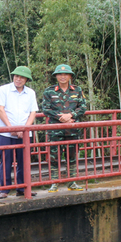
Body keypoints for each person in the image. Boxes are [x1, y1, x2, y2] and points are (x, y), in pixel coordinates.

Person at [41, 64, 87, 192]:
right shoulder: (49, 91)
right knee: (54, 158)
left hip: (72, 131)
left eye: (65, 74)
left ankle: (72, 182)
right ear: (56, 76)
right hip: (55, 130)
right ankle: (54, 183)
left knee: (72, 158)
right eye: (60, 74)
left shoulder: (77, 90)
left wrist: (71, 115)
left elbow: (83, 107)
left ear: (70, 76)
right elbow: (45, 109)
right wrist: (60, 117)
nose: (63, 76)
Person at [0, 66, 38, 199]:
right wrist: (10, 127)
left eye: (22, 77)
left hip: (24, 133)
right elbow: (0, 110)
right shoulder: (4, 89)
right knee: (6, 160)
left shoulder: (30, 93)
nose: (18, 79)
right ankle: (5, 189)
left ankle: (22, 187)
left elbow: (33, 112)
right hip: (5, 132)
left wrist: (24, 129)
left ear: (26, 80)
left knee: (23, 161)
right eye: (16, 76)